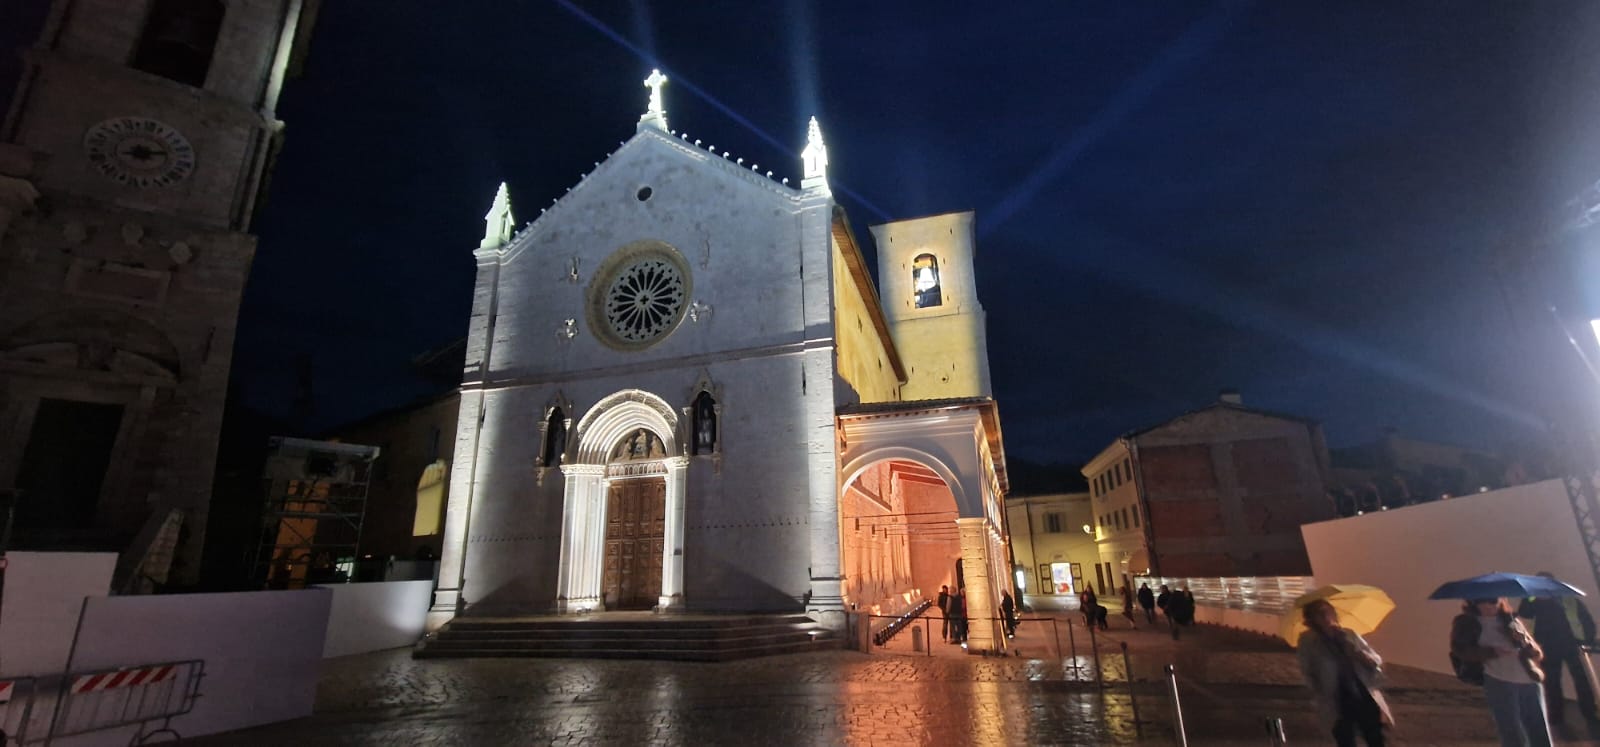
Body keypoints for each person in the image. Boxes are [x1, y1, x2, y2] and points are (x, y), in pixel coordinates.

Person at [1452, 597, 1551, 747]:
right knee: (1511, 731)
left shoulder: (1510, 619)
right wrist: (1492, 652)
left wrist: (1526, 644)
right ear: (1474, 603)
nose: (1491, 605)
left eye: (1495, 600)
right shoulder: (1467, 623)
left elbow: (1536, 653)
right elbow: (1461, 650)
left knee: (1538, 729)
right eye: (1485, 601)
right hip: (1498, 679)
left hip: (1528, 679)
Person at [1297, 598, 1392, 746]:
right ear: (1310, 618)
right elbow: (1307, 671)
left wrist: (1357, 653)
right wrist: (1320, 692)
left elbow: (1375, 660)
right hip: (1336, 699)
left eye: (1327, 611)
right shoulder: (1308, 641)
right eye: (1319, 613)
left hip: (1363, 693)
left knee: (1375, 738)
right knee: (1344, 739)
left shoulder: (1348, 634)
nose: (1325, 615)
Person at [1517, 572, 1598, 725]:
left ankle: (1588, 712)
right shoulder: (1533, 600)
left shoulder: (1567, 599)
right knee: (1552, 682)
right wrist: (1532, 595)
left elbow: (1585, 619)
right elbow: (1524, 612)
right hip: (1546, 646)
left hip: (1571, 644)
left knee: (1581, 680)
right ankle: (1556, 715)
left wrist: (1588, 639)